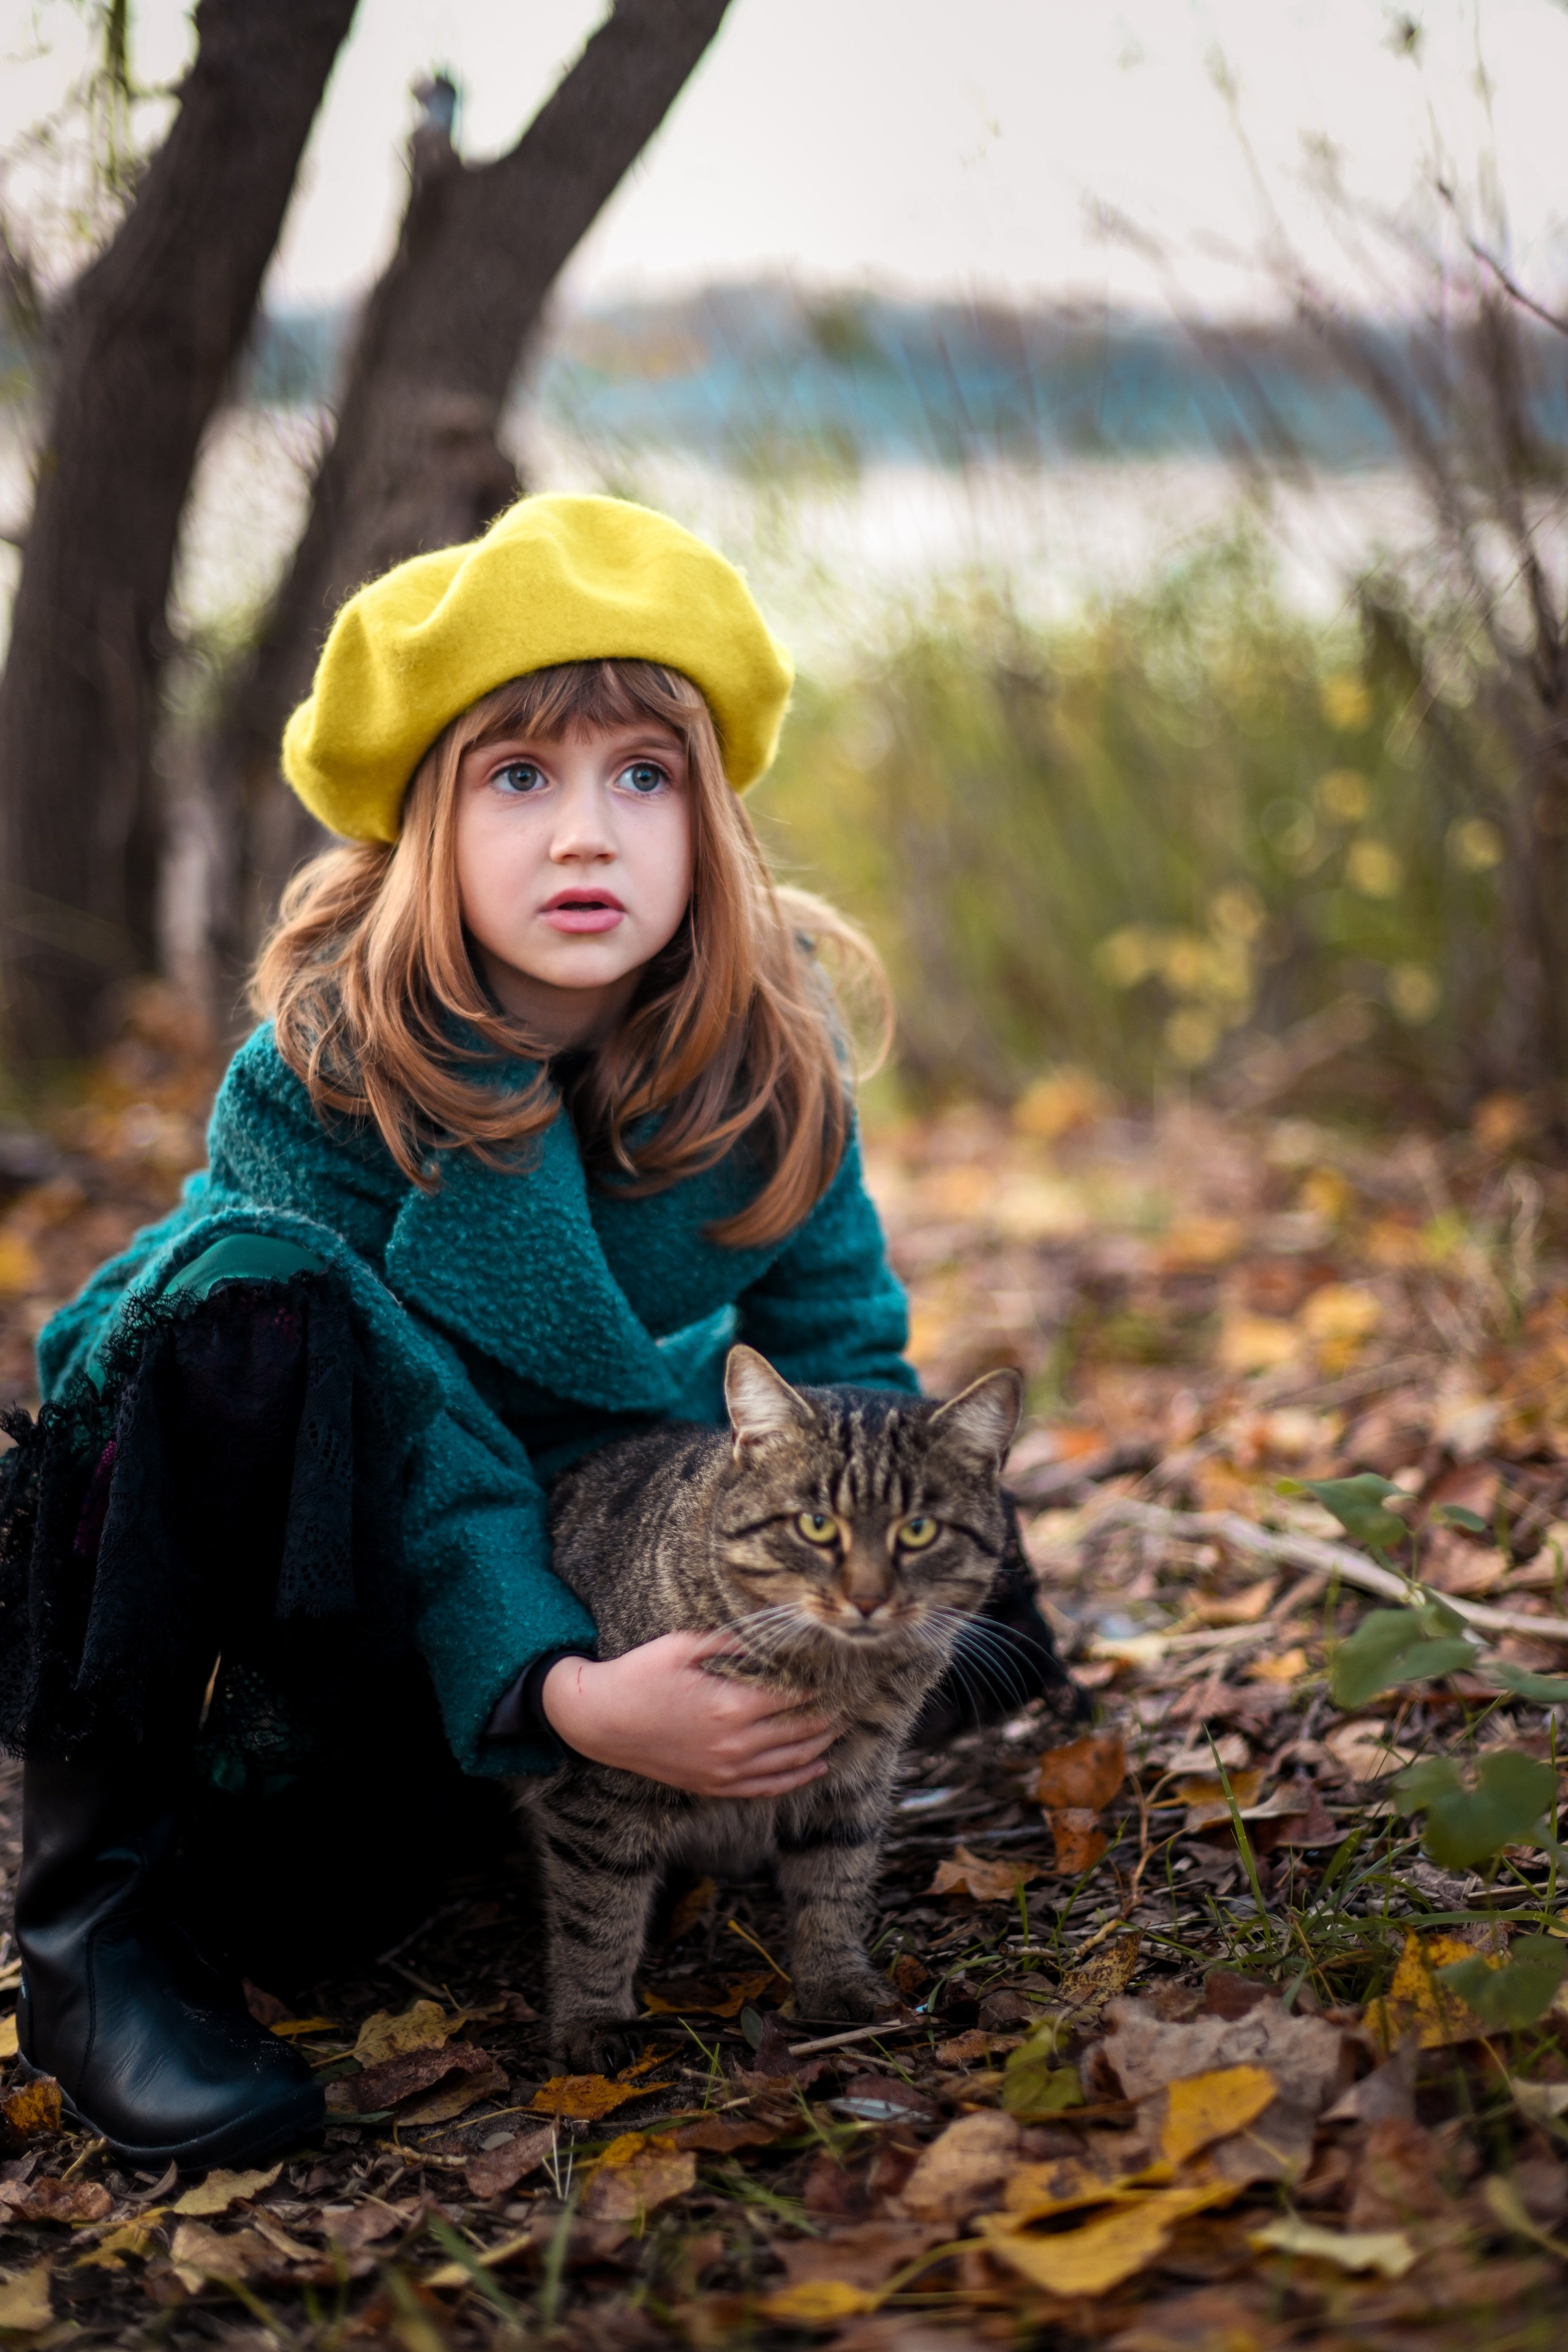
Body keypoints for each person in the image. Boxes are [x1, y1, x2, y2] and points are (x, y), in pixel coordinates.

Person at [0, 495, 1065, 2173]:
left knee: (940, 1577)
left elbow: (843, 1342)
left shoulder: (764, 1051)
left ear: (709, 818)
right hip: (352, 1575)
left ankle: (623, 1793)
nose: (589, 837)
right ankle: (91, 1942)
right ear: (426, 821)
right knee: (236, 1314)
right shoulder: (326, 1077)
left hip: (615, 1537)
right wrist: (561, 1687)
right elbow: (430, 1443)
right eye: (521, 779)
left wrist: (866, 1627)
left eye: (643, 777)